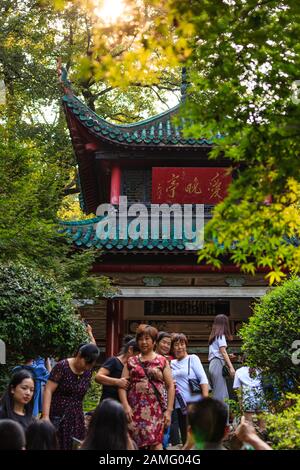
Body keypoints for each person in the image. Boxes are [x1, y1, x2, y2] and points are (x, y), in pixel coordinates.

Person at [119, 324, 175, 450]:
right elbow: (122, 386)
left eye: (147, 339)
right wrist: (125, 406)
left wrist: (169, 411)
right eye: (140, 339)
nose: (143, 342)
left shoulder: (162, 361)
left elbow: (170, 386)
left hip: (156, 411)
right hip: (133, 411)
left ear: (154, 341)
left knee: (156, 444)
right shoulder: (131, 361)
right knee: (133, 444)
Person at [42, 343, 100, 450]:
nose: (86, 367)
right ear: (79, 355)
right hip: (58, 415)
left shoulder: (88, 371)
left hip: (76, 417)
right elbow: (48, 390)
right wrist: (45, 416)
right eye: (86, 363)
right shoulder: (62, 366)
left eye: (90, 365)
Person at [170, 333, 209, 446]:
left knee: (197, 435)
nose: (179, 347)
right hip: (180, 404)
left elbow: (203, 378)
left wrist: (205, 401)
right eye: (176, 345)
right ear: (172, 348)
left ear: (186, 345)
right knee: (185, 435)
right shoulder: (170, 363)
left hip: (194, 402)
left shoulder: (192, 358)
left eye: (182, 344)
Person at [208, 314, 235, 421]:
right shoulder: (221, 336)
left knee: (220, 394)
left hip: (214, 364)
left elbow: (220, 353)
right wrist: (231, 367)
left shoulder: (214, 337)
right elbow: (223, 352)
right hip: (217, 364)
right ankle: (221, 424)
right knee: (221, 395)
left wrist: (228, 357)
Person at [95, 338, 139, 402]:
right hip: (109, 403)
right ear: (130, 350)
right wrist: (117, 382)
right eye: (139, 354)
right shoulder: (114, 361)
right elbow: (98, 377)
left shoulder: (133, 367)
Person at [233, 358, 267, 432]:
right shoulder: (260, 369)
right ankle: (264, 440)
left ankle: (252, 442)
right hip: (260, 395)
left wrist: (241, 403)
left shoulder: (239, 371)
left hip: (248, 397)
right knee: (263, 427)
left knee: (249, 426)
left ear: (242, 361)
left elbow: (237, 389)